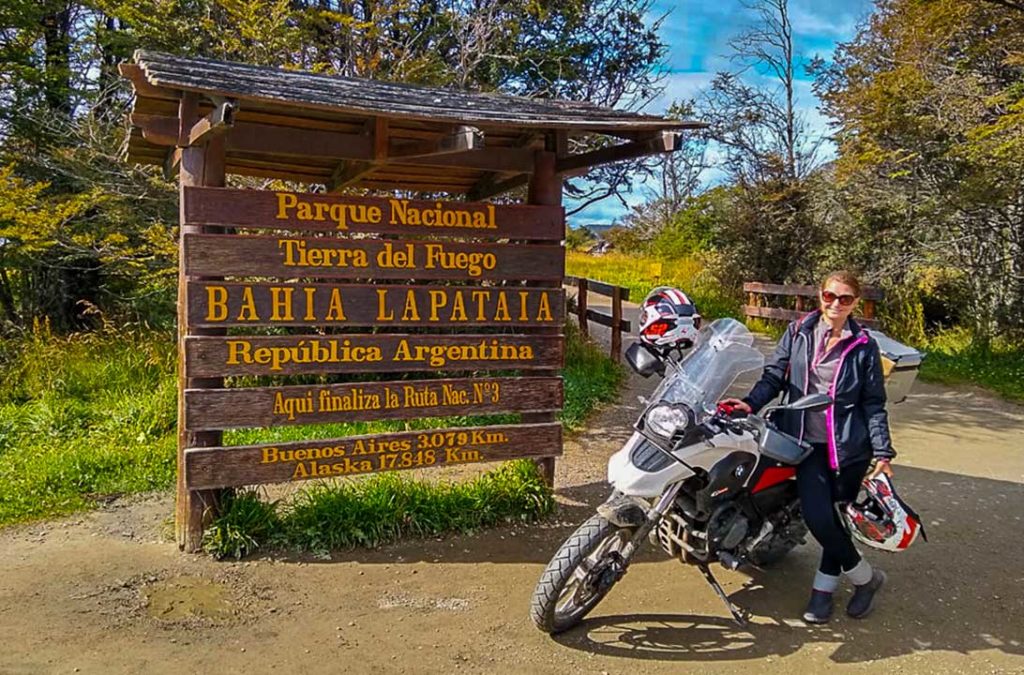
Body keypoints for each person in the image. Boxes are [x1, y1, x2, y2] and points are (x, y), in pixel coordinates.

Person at [720, 271, 895, 624]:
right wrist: (751, 404)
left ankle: (822, 591)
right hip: (804, 444)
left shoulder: (863, 347)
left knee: (834, 518)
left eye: (845, 299)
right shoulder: (799, 331)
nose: (835, 304)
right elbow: (775, 375)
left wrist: (883, 452)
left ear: (855, 304)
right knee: (819, 518)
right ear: (820, 295)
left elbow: (874, 403)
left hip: (848, 450)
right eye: (830, 296)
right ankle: (866, 578)